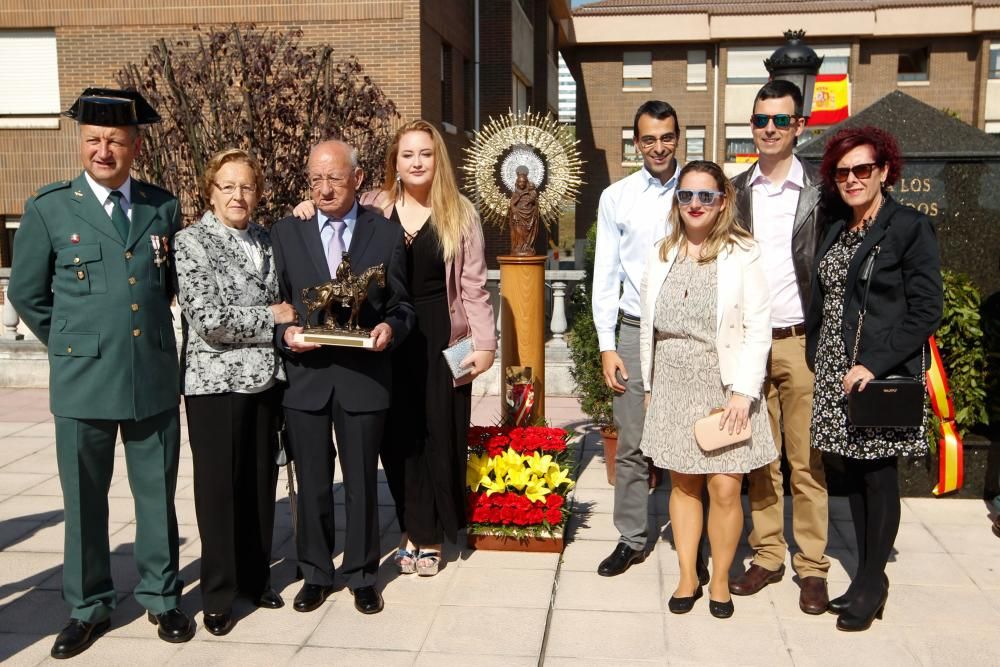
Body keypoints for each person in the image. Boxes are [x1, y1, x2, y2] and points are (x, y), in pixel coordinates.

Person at [7, 88, 195, 657]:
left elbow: (167, 286)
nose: (104, 150)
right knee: (85, 501)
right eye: (93, 140)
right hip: (83, 380)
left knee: (155, 496)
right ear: (80, 143)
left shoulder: (162, 207)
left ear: (136, 144)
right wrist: (73, 344)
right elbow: (28, 293)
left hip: (151, 376)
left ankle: (162, 597)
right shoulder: (49, 208)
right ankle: (88, 608)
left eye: (116, 140)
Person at [294, 119, 496, 577]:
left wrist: (483, 345)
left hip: (445, 337)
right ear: (395, 163)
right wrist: (310, 203)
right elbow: (334, 213)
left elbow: (474, 287)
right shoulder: (374, 207)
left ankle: (429, 536)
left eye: (425, 153)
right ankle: (411, 526)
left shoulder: (460, 213)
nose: (417, 162)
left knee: (439, 433)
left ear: (437, 159)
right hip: (385, 338)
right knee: (396, 438)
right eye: (408, 155)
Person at [271, 139, 414, 615]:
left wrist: (389, 328)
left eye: (334, 177)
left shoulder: (387, 235)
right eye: (315, 179)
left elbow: (404, 307)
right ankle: (314, 572)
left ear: (358, 178)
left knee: (360, 485)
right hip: (306, 379)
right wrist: (286, 334)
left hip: (363, 378)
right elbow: (274, 305)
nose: (324, 188)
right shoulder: (287, 232)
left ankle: (362, 575)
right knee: (312, 483)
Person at [807, 126, 942, 631]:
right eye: (843, 172)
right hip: (835, 372)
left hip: (876, 374)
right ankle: (866, 576)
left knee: (879, 475)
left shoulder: (907, 227)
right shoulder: (839, 226)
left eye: (863, 169)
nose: (853, 179)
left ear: (884, 171)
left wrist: (875, 362)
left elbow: (928, 309)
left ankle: (872, 582)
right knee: (854, 475)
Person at [639, 160, 776, 619]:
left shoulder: (743, 252)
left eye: (706, 196)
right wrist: (650, 385)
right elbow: (648, 331)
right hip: (673, 381)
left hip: (726, 384)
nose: (695, 204)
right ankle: (686, 575)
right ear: (676, 202)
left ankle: (719, 578)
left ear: (722, 202)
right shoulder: (661, 253)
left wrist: (744, 393)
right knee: (683, 484)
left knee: (724, 486)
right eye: (686, 195)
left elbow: (759, 328)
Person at [172, 149, 297, 636]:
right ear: (211, 191)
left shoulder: (265, 239)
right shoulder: (191, 242)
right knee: (220, 491)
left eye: (246, 187)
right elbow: (209, 321)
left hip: (266, 381)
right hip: (215, 386)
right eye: (228, 186)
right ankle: (219, 595)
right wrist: (272, 317)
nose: (238, 195)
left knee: (259, 486)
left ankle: (255, 578)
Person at [729, 80, 831, 614]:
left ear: (799, 126)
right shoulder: (735, 189)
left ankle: (812, 566)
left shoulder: (820, 191)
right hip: (748, 347)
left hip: (799, 342)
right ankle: (767, 555)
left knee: (806, 461)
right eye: (761, 119)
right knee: (759, 460)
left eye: (780, 120)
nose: (769, 128)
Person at [593, 100, 695, 577]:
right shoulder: (617, 197)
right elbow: (605, 274)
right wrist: (606, 343)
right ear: (636, 143)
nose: (659, 147)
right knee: (632, 443)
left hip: (690, 335)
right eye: (649, 139)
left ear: (679, 138)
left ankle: (694, 537)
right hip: (635, 331)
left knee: (691, 442)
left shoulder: (701, 191)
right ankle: (632, 538)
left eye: (667, 137)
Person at [508, 165, 540, 255]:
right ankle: (518, 246)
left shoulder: (531, 192)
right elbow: (512, 205)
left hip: (529, 217)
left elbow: (535, 204)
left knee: (527, 232)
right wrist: (514, 210)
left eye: (523, 182)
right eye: (519, 182)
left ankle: (527, 246)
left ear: (526, 182)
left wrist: (533, 207)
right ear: (517, 182)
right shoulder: (515, 193)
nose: (521, 184)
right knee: (518, 231)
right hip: (518, 216)